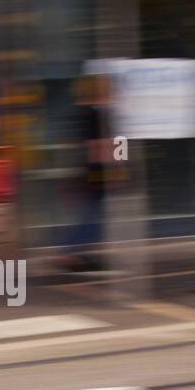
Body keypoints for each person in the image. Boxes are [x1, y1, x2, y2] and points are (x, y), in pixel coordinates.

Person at [64, 74, 122, 272]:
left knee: (91, 214)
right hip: (97, 173)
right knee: (92, 215)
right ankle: (74, 254)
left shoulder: (85, 113)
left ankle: (75, 253)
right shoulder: (97, 114)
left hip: (89, 172)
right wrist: (115, 168)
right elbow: (99, 146)